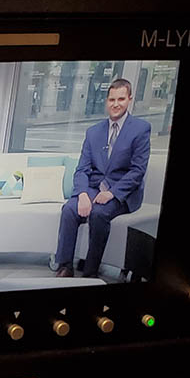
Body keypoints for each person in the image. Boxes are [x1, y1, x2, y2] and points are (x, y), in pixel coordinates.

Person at [55, 77, 150, 278]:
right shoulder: (93, 132)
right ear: (106, 101)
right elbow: (82, 169)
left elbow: (137, 171)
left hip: (122, 192)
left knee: (99, 213)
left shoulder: (141, 129)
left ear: (129, 99)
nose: (116, 104)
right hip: (93, 188)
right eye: (112, 100)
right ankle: (65, 266)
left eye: (121, 99)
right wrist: (81, 194)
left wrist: (112, 194)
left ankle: (90, 271)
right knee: (69, 210)